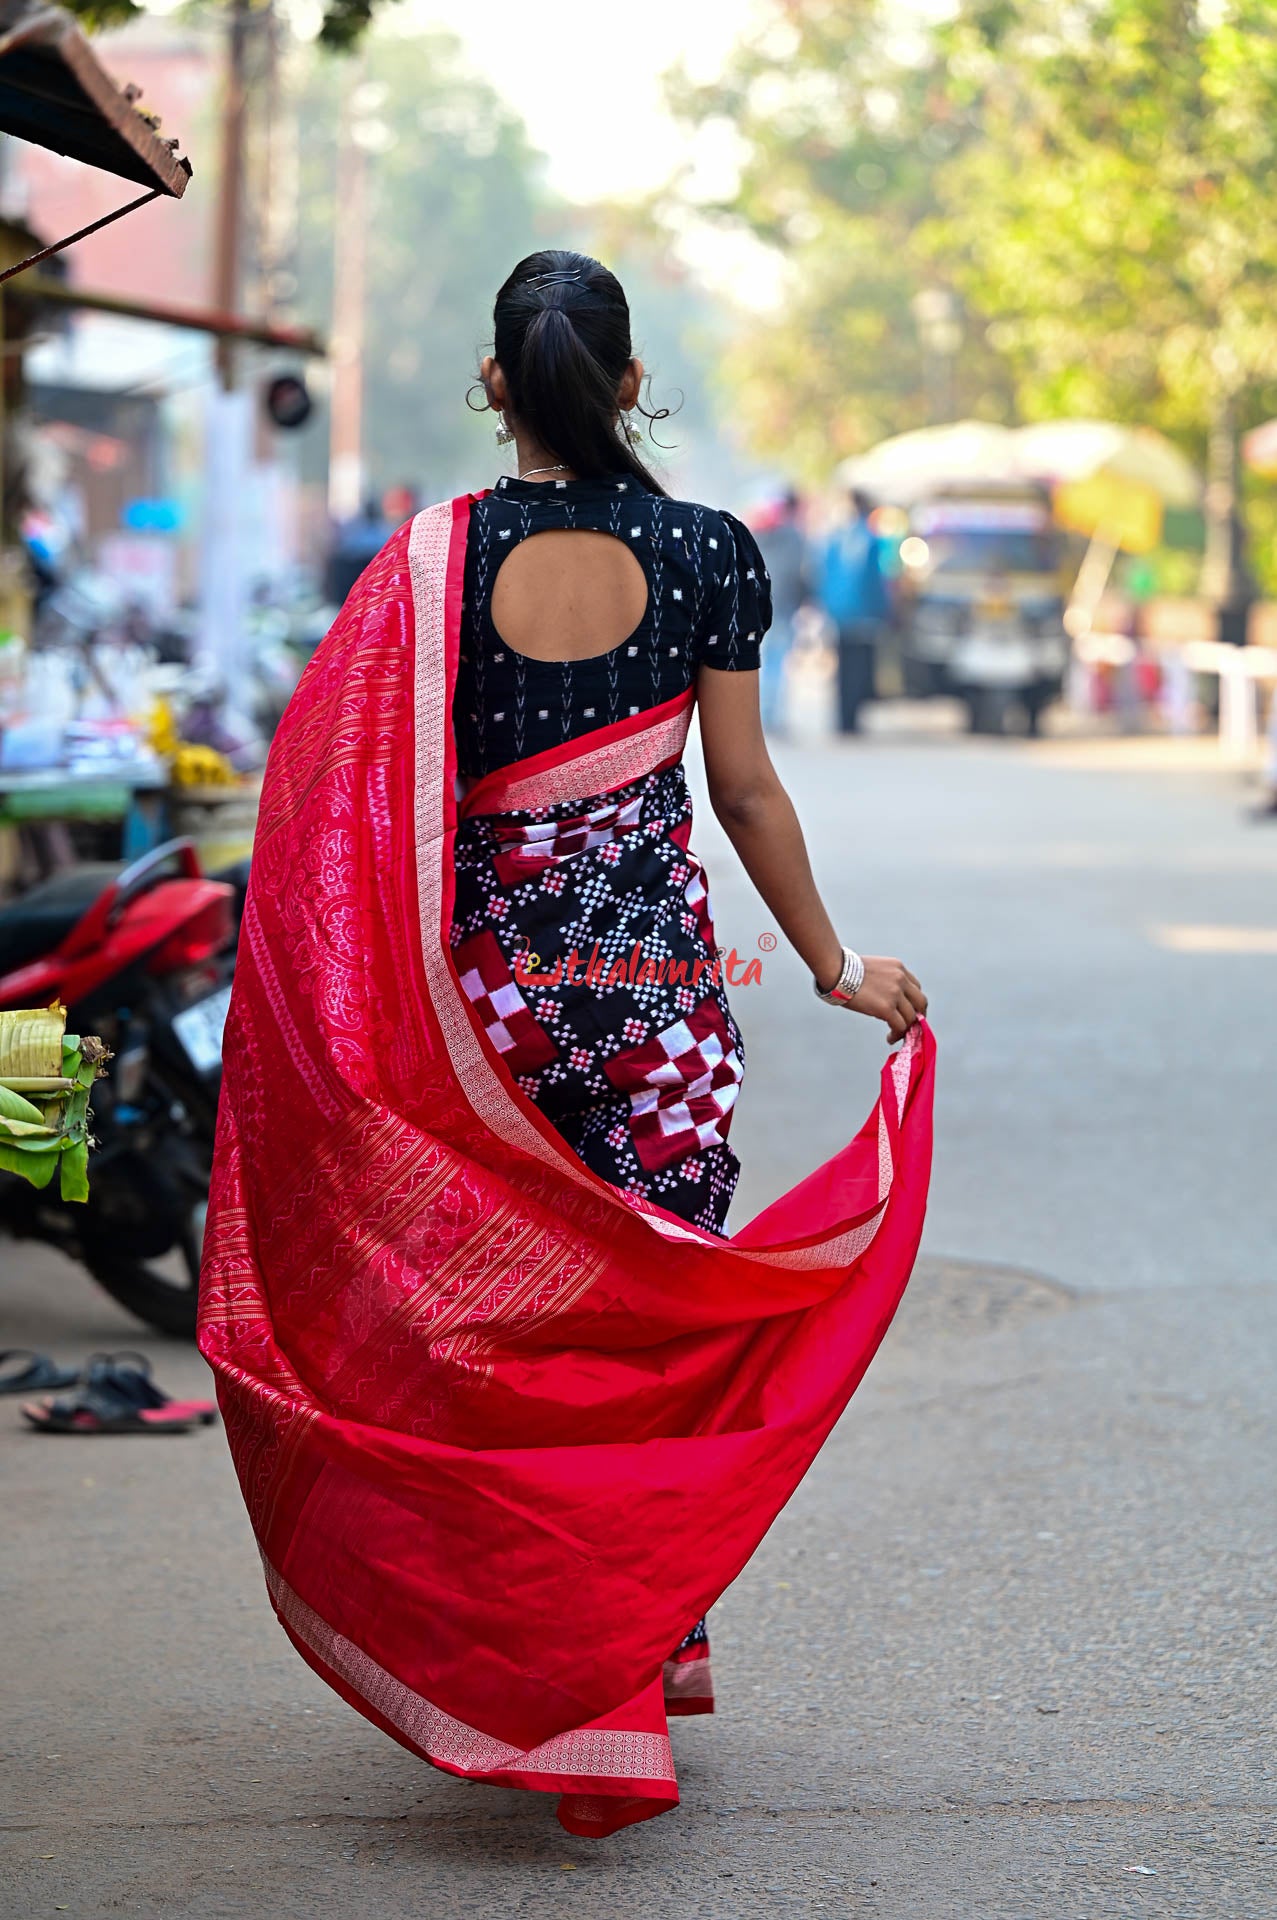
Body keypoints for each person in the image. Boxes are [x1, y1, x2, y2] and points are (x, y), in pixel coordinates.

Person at [200, 249, 933, 1841]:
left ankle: (513, 1658)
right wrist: (832, 966)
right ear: (628, 384)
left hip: (483, 1015)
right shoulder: (709, 550)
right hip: (652, 1008)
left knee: (499, 1330)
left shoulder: (426, 563)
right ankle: (632, 1649)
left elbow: (331, 795)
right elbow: (743, 793)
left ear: (493, 386)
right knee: (646, 1327)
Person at [819, 487, 890, 733]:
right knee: (860, 668)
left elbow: (824, 575)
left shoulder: (837, 537)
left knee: (844, 666)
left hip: (839, 612)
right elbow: (876, 580)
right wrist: (884, 610)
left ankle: (843, 718)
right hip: (864, 613)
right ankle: (853, 718)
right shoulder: (871, 538)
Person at [752, 489, 809, 733]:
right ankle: (770, 716)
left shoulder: (756, 534)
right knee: (775, 665)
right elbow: (798, 572)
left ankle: (763, 715)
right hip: (782, 608)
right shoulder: (793, 537)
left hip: (759, 608)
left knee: (762, 664)